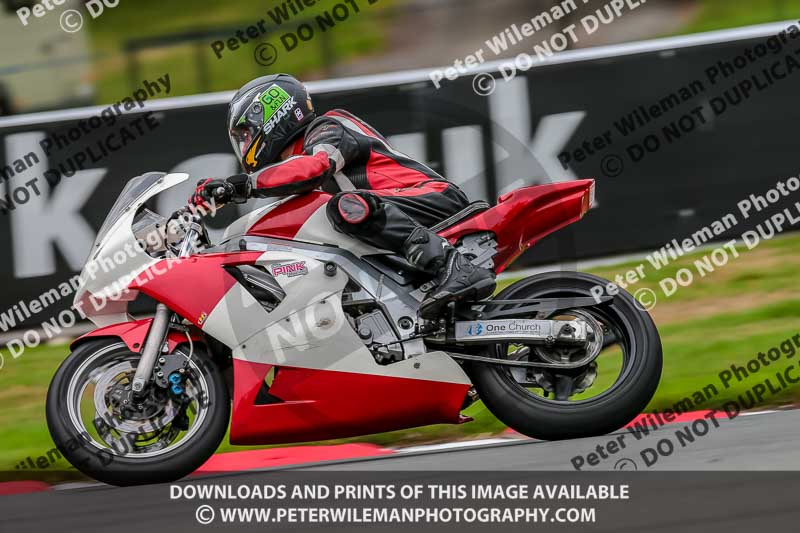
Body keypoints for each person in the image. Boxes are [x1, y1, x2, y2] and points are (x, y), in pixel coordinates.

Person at [190, 74, 495, 318]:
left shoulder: (329, 127)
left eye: (245, 134)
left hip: (433, 199)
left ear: (271, 114)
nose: (244, 144)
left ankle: (453, 266)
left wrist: (239, 186)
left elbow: (314, 166)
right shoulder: (296, 162)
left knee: (344, 207)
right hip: (396, 215)